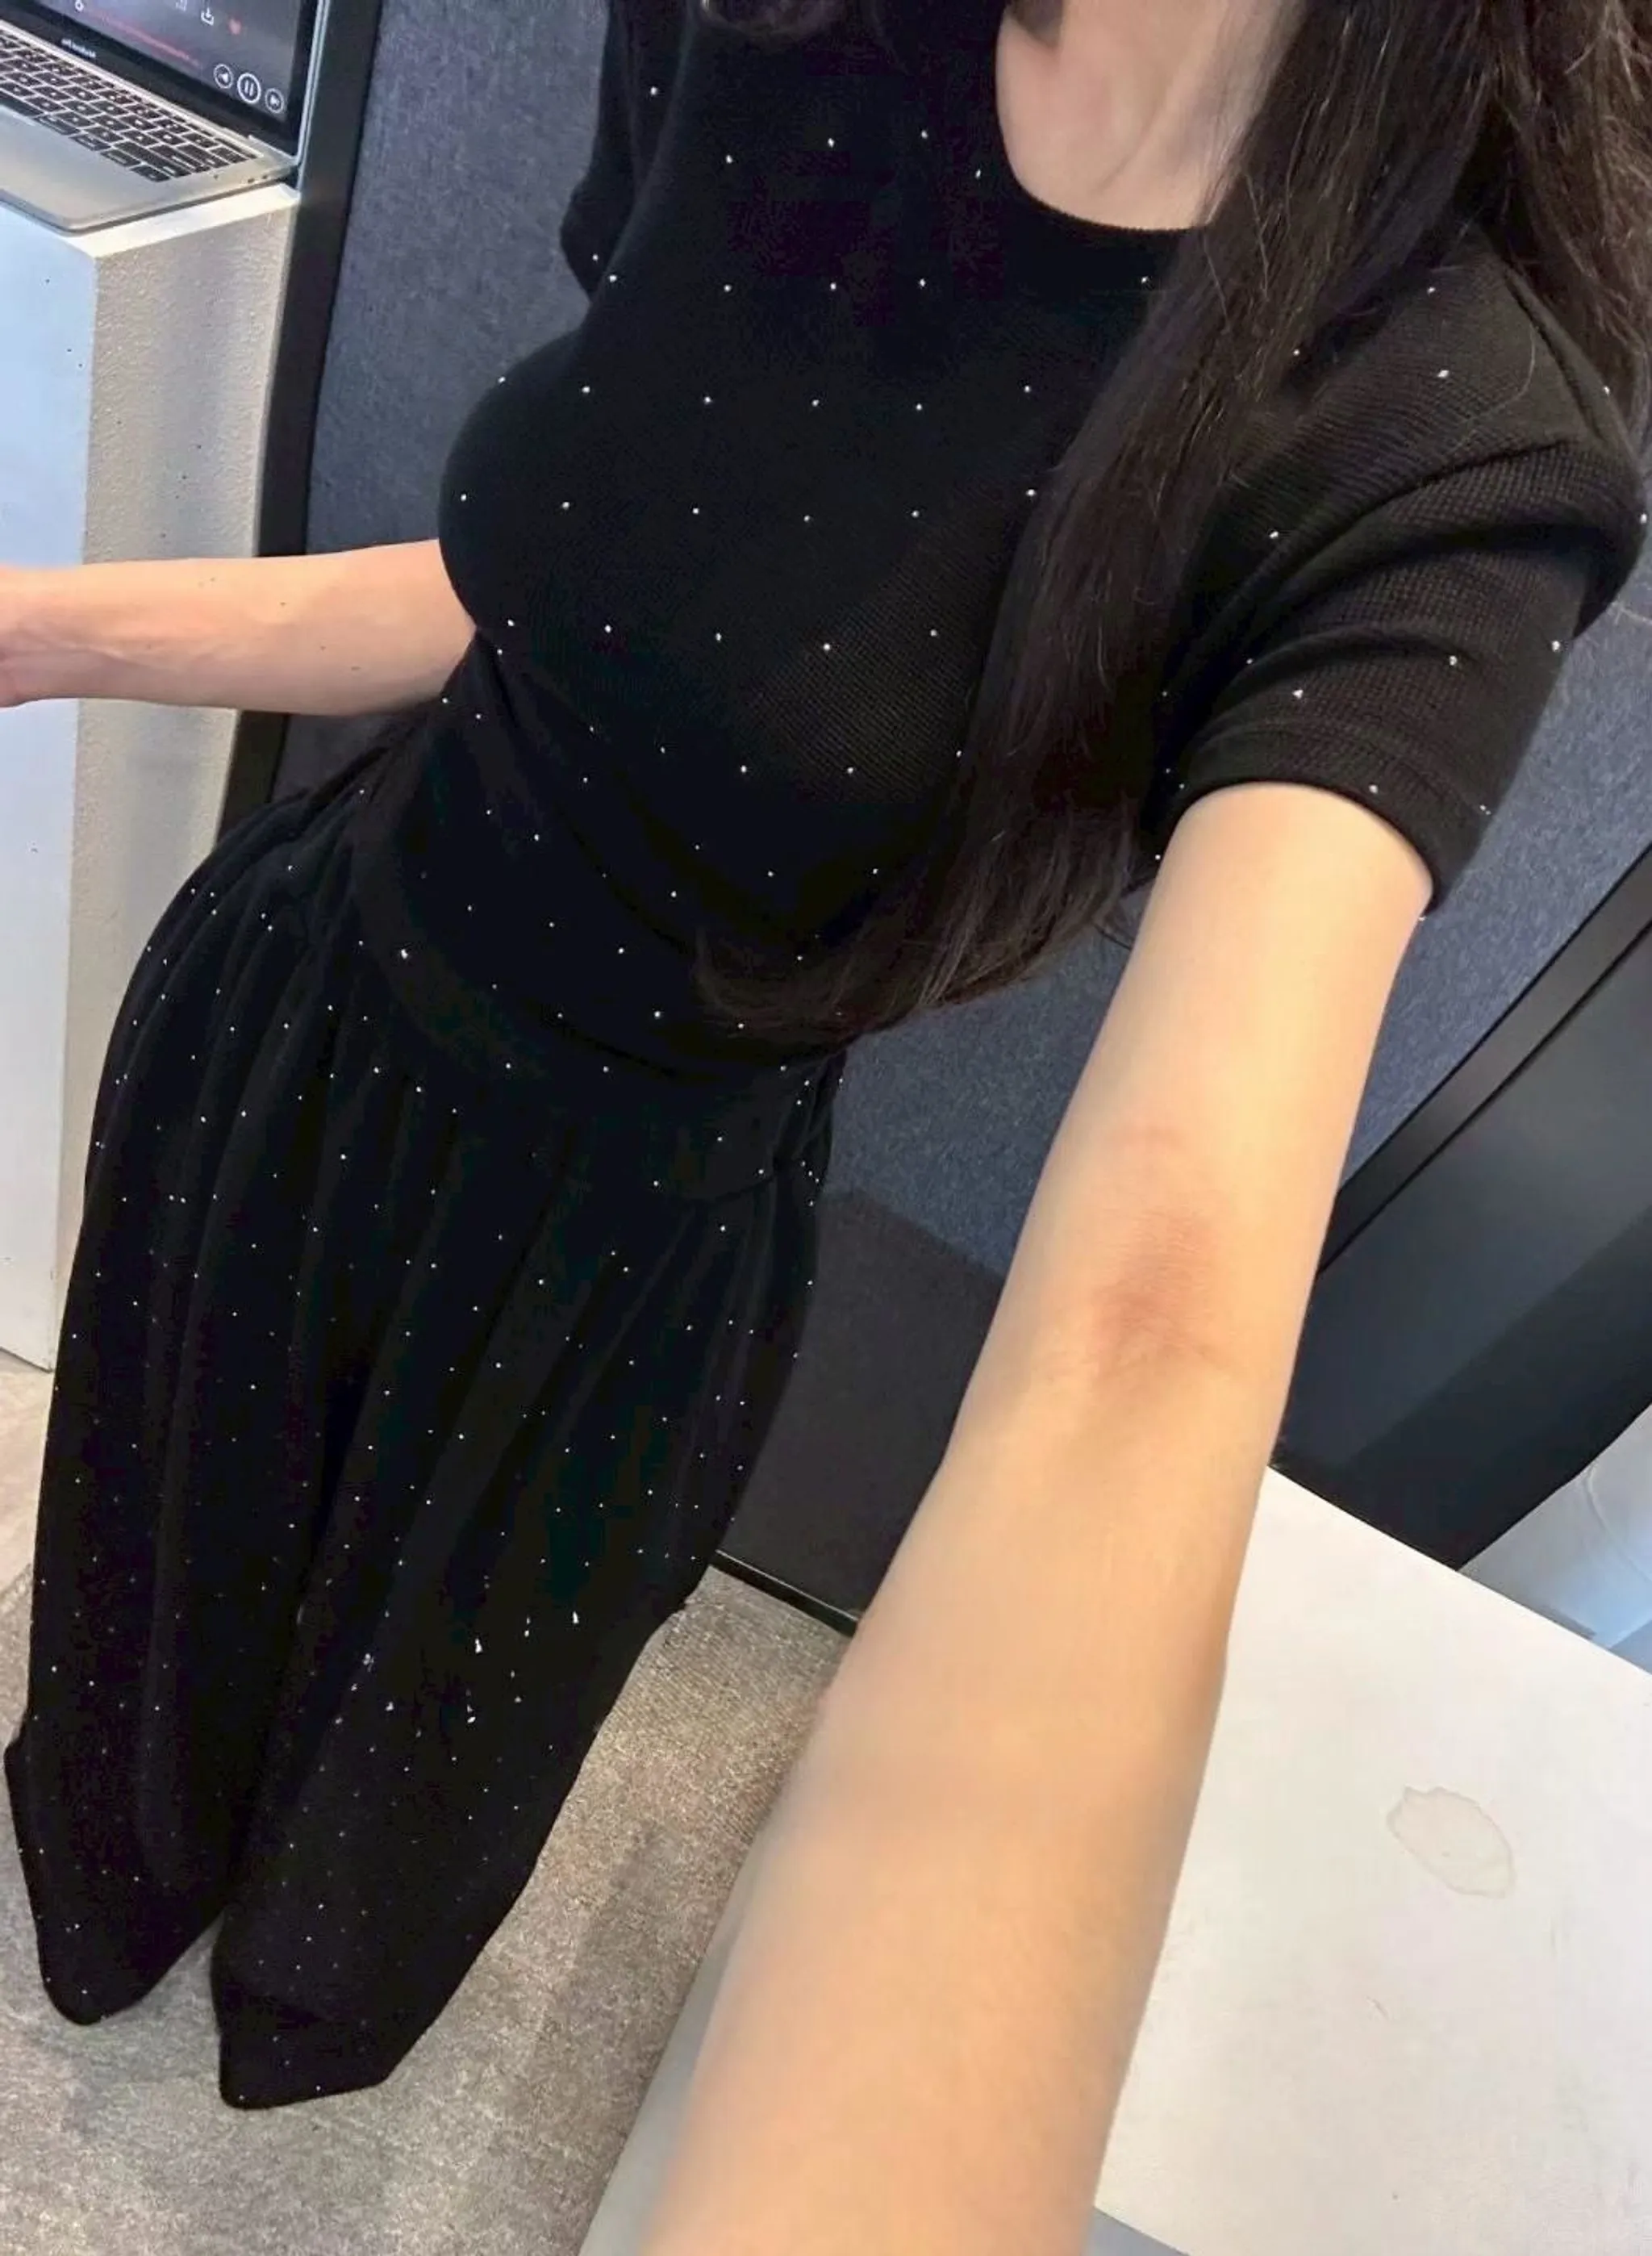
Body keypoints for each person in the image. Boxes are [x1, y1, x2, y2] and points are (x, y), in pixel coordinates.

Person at [0, 0, 1646, 2183]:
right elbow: (557, 597)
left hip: (616, 1256)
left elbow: (1150, 1327)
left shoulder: (1440, 435)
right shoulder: (774, 20)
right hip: (305, 1023)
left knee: (417, 1761)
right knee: (155, 1589)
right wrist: (37, 629)